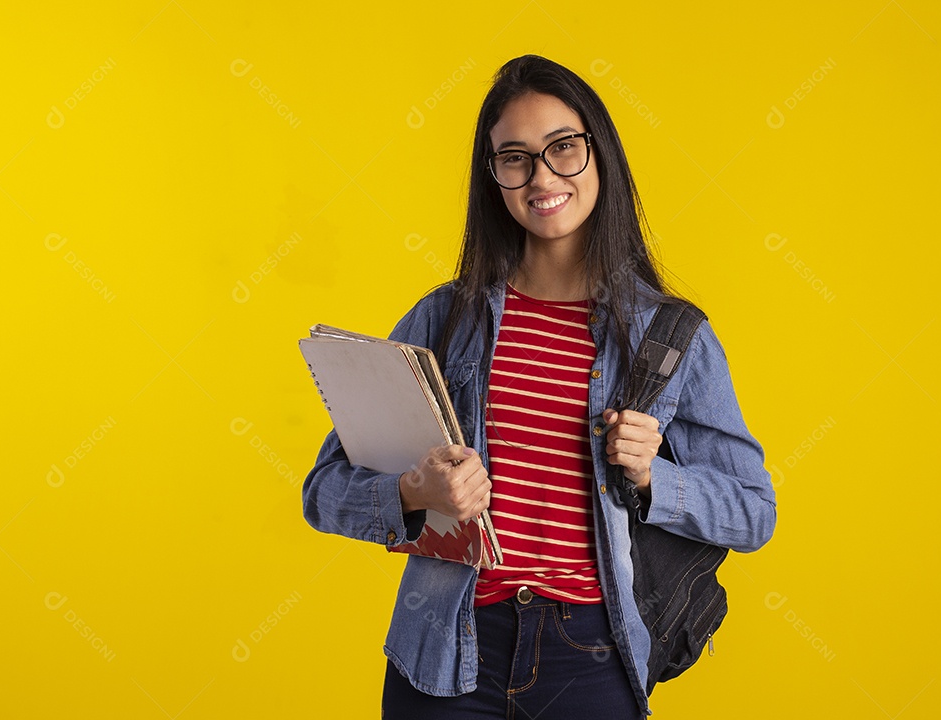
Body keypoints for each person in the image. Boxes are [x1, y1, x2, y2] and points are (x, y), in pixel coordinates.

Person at [302, 54, 777, 719]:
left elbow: (753, 512)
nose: (542, 176)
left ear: (598, 153)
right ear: (492, 175)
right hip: (448, 655)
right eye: (515, 158)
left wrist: (652, 480)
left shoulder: (672, 338)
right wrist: (417, 493)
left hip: (591, 660)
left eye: (563, 148)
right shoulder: (446, 319)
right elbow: (323, 492)